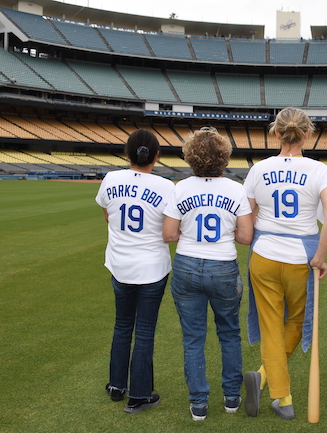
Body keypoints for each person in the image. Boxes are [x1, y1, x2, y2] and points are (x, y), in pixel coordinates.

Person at [242, 107, 327, 420]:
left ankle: (282, 397)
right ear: (307, 134)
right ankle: (274, 388)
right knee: (296, 323)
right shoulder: (319, 169)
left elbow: (247, 213)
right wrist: (320, 256)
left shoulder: (259, 169)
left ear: (276, 133)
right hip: (301, 258)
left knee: (271, 327)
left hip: (265, 255)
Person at [163, 127, 253, 421]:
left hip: (188, 264)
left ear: (190, 156)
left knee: (193, 338)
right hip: (223, 266)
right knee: (229, 333)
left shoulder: (179, 188)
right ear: (224, 157)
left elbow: (169, 234)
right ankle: (231, 397)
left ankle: (199, 403)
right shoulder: (236, 190)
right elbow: (245, 237)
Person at [95, 129, 174, 413]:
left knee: (122, 325)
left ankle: (117, 385)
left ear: (127, 153)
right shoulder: (166, 186)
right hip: (152, 267)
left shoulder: (111, 179)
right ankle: (139, 394)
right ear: (157, 156)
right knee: (144, 331)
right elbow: (169, 231)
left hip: (119, 264)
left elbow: (108, 215)